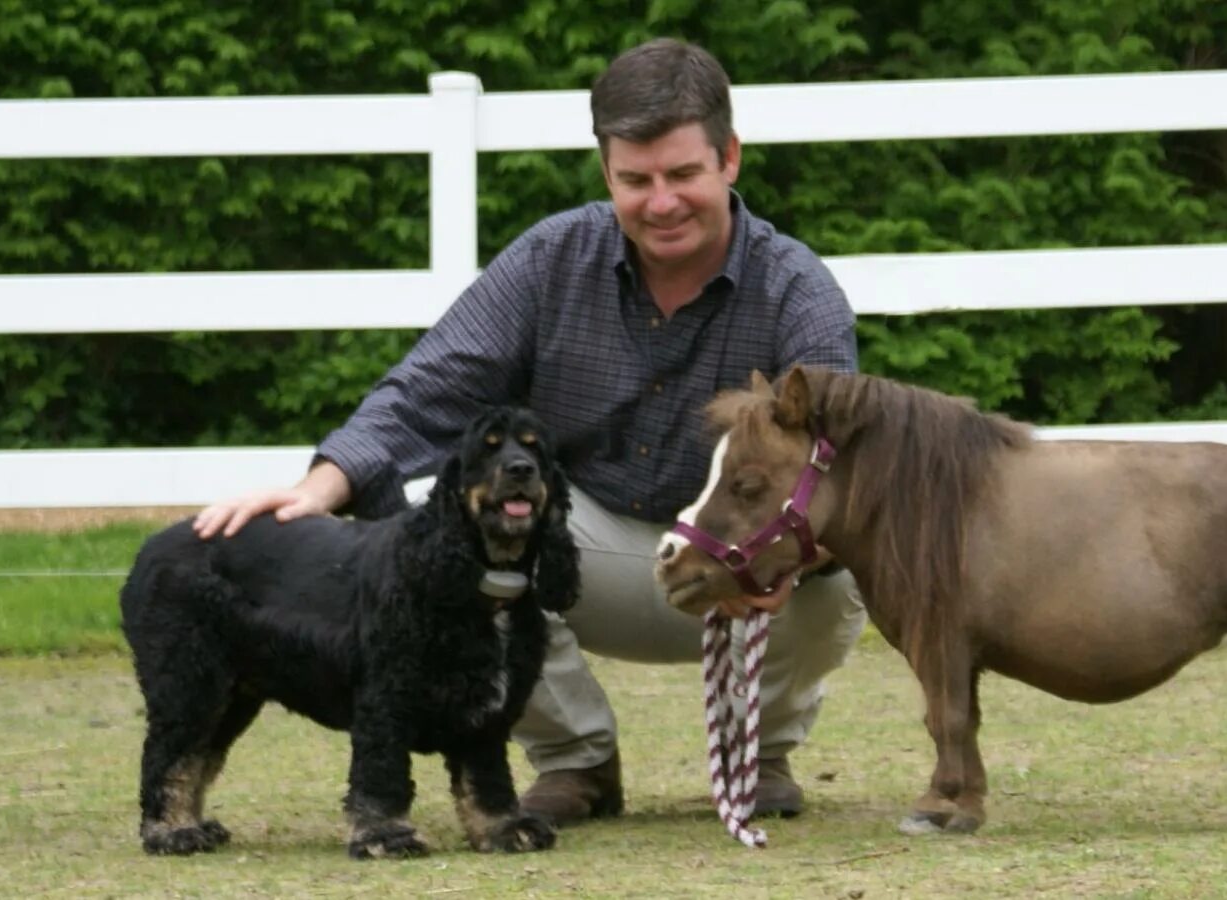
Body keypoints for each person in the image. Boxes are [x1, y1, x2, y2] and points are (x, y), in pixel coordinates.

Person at [193, 37, 868, 827]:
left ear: (729, 160)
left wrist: (802, 550)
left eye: (683, 174)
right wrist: (321, 486)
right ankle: (576, 760)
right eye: (635, 179)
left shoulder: (799, 289)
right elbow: (428, 388)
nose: (661, 201)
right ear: (605, 173)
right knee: (438, 519)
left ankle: (759, 756)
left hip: (743, 564)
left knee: (838, 573)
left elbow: (833, 464)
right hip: (593, 552)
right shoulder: (551, 258)